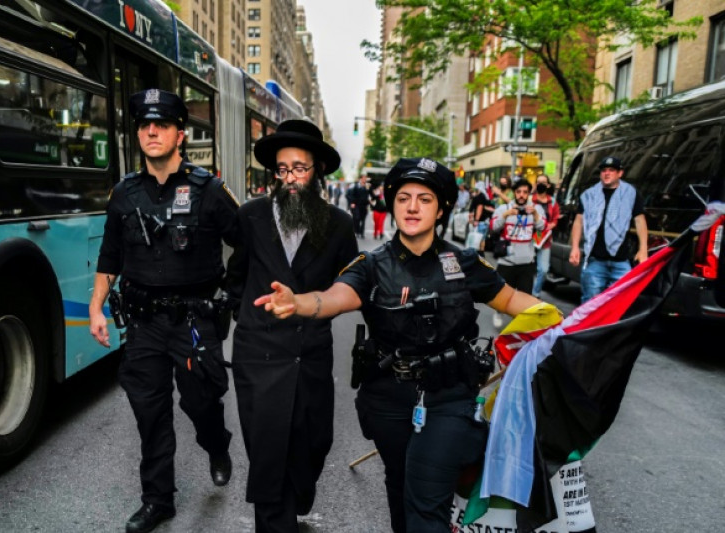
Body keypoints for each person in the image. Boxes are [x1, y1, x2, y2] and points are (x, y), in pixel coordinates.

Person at [254, 157, 544, 533]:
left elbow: (514, 301)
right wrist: (299, 303)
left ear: (441, 209)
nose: (412, 207)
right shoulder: (371, 264)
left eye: (424, 199)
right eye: (404, 197)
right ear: (392, 204)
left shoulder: (464, 262)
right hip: (387, 399)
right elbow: (333, 298)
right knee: (400, 484)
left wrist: (574, 319)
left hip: (449, 397)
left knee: (426, 501)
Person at [88, 88, 238, 533]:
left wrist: (232, 293)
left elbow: (246, 244)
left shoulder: (208, 190)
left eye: (162, 125)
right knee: (149, 413)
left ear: (180, 134)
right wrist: (96, 308)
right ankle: (158, 500)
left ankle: (216, 444)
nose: (151, 131)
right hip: (143, 322)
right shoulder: (124, 194)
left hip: (194, 320)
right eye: (144, 125)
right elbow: (109, 258)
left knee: (201, 402)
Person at [227, 119, 359, 532]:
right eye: (282, 170)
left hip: (311, 357)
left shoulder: (339, 224)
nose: (290, 179)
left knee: (314, 447)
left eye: (299, 168)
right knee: (269, 462)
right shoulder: (249, 217)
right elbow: (235, 278)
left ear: (317, 169)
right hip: (259, 359)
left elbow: (349, 285)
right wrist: (247, 319)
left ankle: (301, 490)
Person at [569, 156, 648, 303]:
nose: (607, 173)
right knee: (590, 306)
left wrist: (643, 249)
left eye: (611, 170)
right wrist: (574, 247)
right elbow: (579, 221)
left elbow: (640, 220)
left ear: (620, 173)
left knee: (619, 305)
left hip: (621, 261)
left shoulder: (631, 193)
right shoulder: (589, 195)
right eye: (604, 170)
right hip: (595, 261)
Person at [488, 178, 545, 328]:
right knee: (502, 293)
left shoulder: (535, 209)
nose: (521, 195)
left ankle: (520, 322)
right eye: (519, 192)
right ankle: (498, 312)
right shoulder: (504, 208)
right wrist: (506, 214)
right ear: (514, 193)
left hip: (526, 260)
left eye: (525, 192)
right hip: (507, 260)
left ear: (528, 194)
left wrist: (536, 216)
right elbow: (493, 227)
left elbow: (542, 227)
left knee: (525, 296)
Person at [531, 174, 561, 297]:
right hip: (529, 238)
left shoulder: (553, 202)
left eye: (544, 182)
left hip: (545, 239)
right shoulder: (530, 200)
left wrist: (550, 226)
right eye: (538, 182)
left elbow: (555, 219)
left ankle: (535, 293)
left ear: (548, 185)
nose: (541, 185)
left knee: (543, 269)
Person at [465, 182, 493, 253]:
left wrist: (476, 220)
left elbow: (479, 208)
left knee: (477, 240)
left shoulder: (479, 197)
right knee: (482, 239)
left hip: (480, 222)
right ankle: (482, 254)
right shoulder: (485, 196)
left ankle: (478, 255)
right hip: (486, 222)